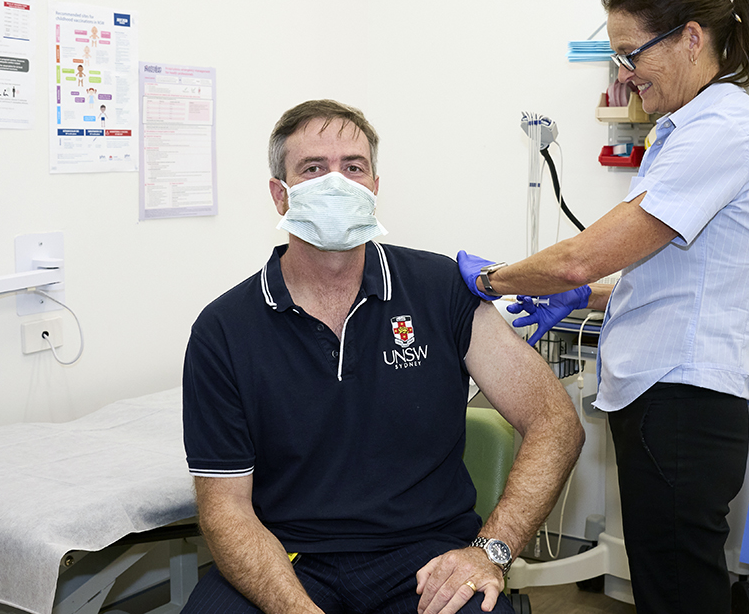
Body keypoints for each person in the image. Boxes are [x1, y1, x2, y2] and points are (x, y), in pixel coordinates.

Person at [457, 0, 749, 614]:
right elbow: (675, 276)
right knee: (672, 582)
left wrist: (491, 279)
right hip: (667, 398)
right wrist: (586, 298)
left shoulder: (720, 134)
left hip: (682, 404)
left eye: (630, 53)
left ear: (692, 37)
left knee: (677, 592)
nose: (623, 74)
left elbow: (583, 255)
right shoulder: (685, 132)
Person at [183, 99, 585, 614]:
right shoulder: (224, 330)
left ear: (374, 187)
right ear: (280, 196)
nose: (337, 183)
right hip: (287, 557)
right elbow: (225, 511)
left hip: (426, 558)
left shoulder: (439, 290)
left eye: (353, 168)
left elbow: (555, 421)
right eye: (313, 169)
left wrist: (491, 552)